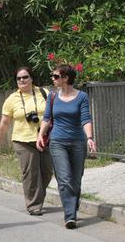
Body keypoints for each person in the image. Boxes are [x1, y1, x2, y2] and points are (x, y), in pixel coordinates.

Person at [37, 64, 96, 229]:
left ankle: (72, 204)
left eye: (56, 76)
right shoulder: (52, 96)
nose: (53, 79)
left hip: (77, 142)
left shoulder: (81, 97)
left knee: (76, 179)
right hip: (57, 142)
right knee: (64, 179)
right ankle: (70, 216)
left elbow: (85, 118)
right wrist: (40, 135)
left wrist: (89, 138)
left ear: (66, 78)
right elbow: (47, 118)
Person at [0, 67, 54, 215]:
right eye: (19, 78)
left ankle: (38, 196)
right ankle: (33, 205)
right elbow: (4, 123)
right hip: (23, 140)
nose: (22, 80)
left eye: (25, 77)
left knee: (47, 172)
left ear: (31, 78)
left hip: (44, 138)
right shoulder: (12, 99)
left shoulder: (44, 93)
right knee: (31, 173)